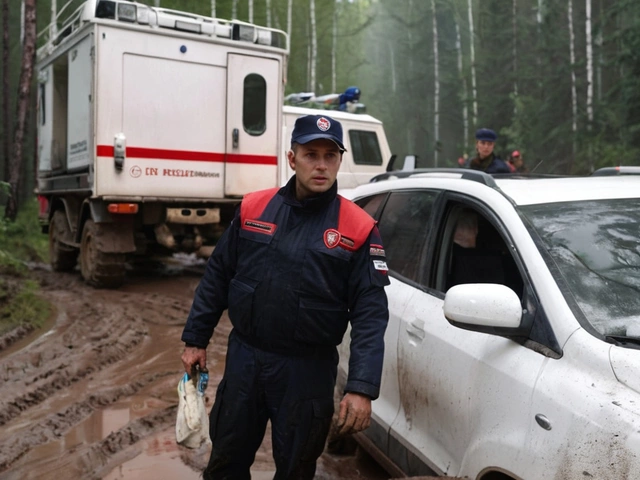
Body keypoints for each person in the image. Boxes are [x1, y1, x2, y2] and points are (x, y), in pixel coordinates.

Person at [180, 114, 390, 480]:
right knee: (225, 461)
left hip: (307, 372)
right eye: (311, 154)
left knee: (296, 468)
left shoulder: (357, 228)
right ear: (292, 159)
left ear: (340, 160)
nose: (321, 165)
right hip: (246, 358)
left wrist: (361, 387)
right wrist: (196, 339)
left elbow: (370, 315)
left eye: (330, 155)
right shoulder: (253, 209)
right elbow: (217, 276)